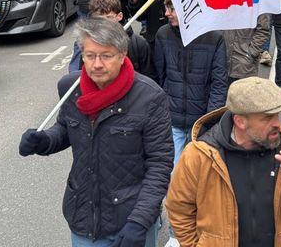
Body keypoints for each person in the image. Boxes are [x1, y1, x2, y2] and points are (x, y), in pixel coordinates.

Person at [19, 18, 174, 247]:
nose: (97, 64)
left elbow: (160, 164)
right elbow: (65, 128)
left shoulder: (150, 97)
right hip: (83, 215)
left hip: (129, 220)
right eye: (90, 56)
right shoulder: (71, 88)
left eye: (106, 55)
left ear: (122, 56)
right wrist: (44, 141)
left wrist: (140, 221)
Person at [165, 77, 281, 246]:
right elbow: (179, 208)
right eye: (267, 118)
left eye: (277, 114)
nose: (277, 123)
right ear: (240, 121)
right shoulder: (199, 156)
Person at [153, 0, 228, 166]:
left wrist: (208, 120)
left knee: (197, 177)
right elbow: (159, 77)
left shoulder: (214, 38)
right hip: (172, 121)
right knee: (173, 175)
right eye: (166, 8)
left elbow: (219, 84)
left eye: (172, 8)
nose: (166, 13)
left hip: (201, 123)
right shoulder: (163, 35)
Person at [223, 14, 270, 84]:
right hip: (223, 62)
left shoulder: (257, 4)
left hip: (244, 63)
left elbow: (263, 30)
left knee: (243, 93)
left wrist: (251, 53)